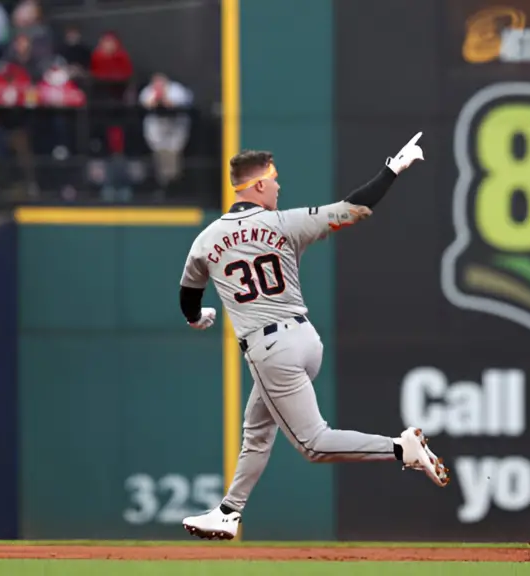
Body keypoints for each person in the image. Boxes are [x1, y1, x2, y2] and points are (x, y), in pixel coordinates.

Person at [176, 133, 447, 540]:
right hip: (304, 340)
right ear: (259, 186)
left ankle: (401, 447)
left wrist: (198, 318)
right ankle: (229, 511)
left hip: (270, 351)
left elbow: (188, 296)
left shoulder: (207, 239)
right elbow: (356, 206)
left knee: (314, 444)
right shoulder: (285, 222)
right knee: (257, 430)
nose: (279, 186)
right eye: (275, 179)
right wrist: (392, 169)